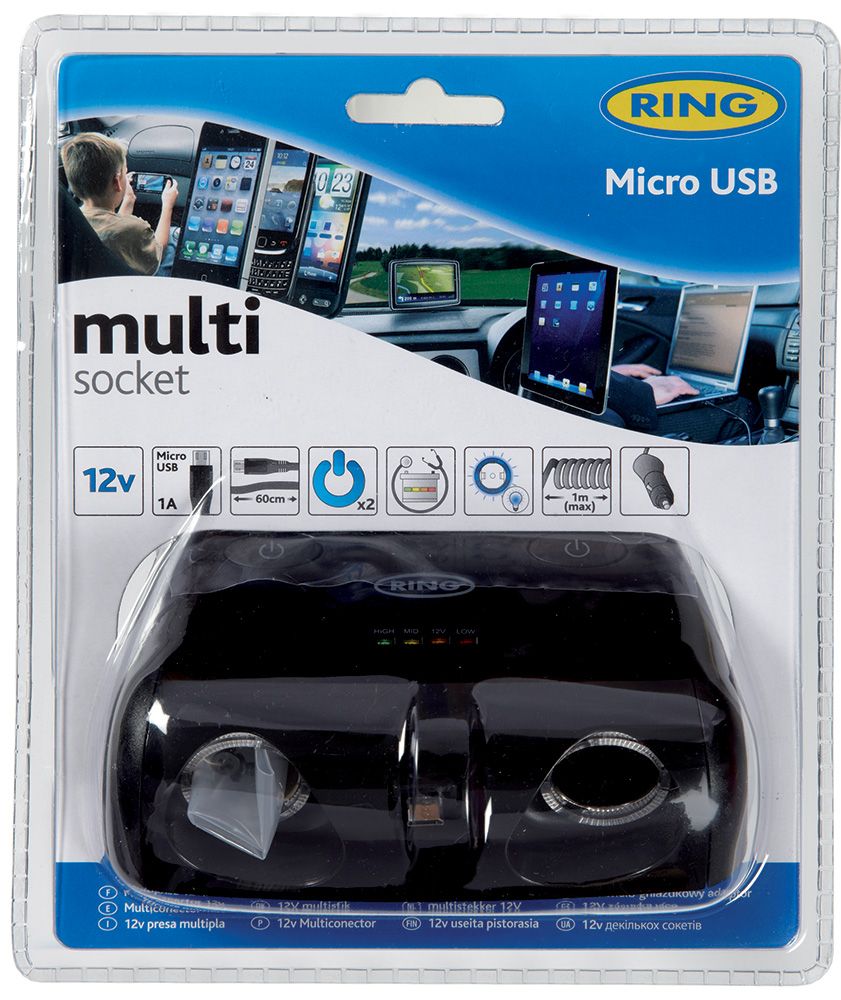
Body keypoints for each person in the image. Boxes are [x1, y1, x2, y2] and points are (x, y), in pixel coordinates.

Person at [60, 132, 178, 275]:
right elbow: (159, 250)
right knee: (173, 237)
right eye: (124, 172)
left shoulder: (72, 222)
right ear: (117, 182)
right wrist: (167, 206)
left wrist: (128, 200)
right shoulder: (135, 228)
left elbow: (112, 227)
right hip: (135, 283)